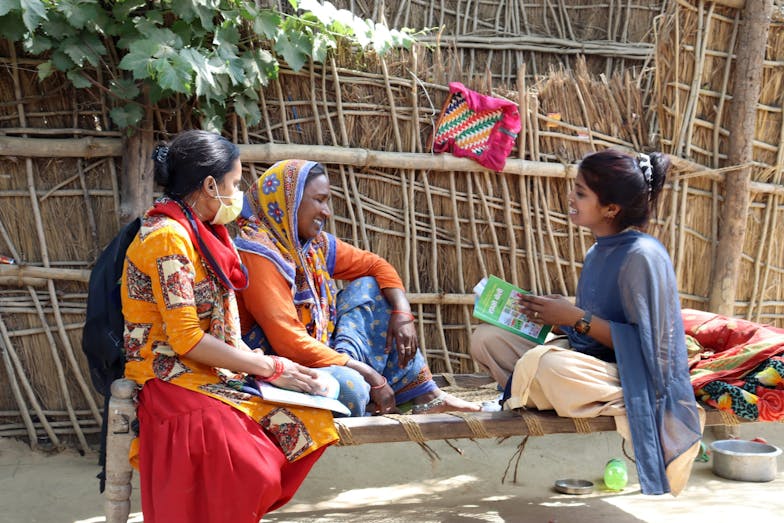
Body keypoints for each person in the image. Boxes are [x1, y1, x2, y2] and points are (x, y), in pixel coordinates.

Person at [121, 131, 338, 523]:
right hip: (167, 378)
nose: (237, 194)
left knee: (310, 422)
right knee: (249, 463)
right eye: (235, 184)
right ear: (209, 185)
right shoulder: (167, 238)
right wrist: (272, 367)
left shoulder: (201, 232)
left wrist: (262, 364)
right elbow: (186, 340)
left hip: (205, 371)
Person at [470, 149, 703, 495]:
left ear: (611, 209)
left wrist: (576, 318)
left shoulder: (643, 256)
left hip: (632, 376)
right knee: (487, 338)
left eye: (581, 193)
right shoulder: (598, 251)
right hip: (589, 361)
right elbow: (591, 332)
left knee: (548, 366)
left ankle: (581, 395)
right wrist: (550, 317)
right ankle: (540, 389)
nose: (571, 197)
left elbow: (651, 349)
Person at [234, 159, 480, 417]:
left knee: (370, 288)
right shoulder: (258, 254)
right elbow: (289, 342)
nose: (326, 211)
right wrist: (370, 374)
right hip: (283, 371)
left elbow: (376, 265)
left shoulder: (313, 246)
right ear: (289, 202)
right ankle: (369, 398)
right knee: (352, 389)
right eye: (319, 200)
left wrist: (403, 313)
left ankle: (428, 397)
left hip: (323, 356)